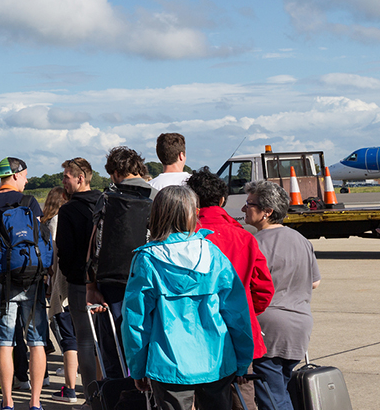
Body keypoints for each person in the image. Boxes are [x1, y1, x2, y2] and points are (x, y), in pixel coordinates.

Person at [122, 185, 255, 410]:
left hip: (169, 363)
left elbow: (136, 321)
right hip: (217, 358)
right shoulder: (213, 254)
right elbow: (237, 314)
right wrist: (243, 361)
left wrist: (137, 367)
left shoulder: (147, 259)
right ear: (192, 213)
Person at [0, 157, 48, 410]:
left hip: (5, 280)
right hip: (33, 279)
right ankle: (35, 402)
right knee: (36, 341)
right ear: (16, 175)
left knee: (5, 342)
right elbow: (39, 237)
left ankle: (7, 402)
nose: (26, 181)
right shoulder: (29, 202)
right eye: (25, 176)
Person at [189, 167, 274, 376]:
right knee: (242, 397)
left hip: (195, 334)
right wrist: (244, 311)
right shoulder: (244, 237)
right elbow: (263, 289)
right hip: (239, 332)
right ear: (222, 200)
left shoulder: (186, 237)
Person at [244, 180, 321, 410]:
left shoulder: (254, 243)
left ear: (267, 211)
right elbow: (315, 282)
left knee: (273, 399)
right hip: (299, 328)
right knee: (281, 391)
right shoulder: (301, 240)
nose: (244, 208)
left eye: (250, 204)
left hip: (268, 331)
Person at [56, 157, 105, 400]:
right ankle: (110, 392)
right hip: (107, 282)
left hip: (79, 282)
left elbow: (63, 250)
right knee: (107, 341)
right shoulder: (104, 202)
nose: (63, 181)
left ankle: (91, 397)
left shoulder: (68, 210)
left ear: (80, 178)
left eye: (66, 177)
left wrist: (70, 272)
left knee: (85, 341)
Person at [88, 147, 158, 313]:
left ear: (115, 172)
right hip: (146, 279)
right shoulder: (157, 196)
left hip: (110, 282)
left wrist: (90, 287)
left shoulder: (105, 199)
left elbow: (93, 242)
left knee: (113, 336)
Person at [42, 186, 81, 405]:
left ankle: (71, 387)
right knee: (82, 338)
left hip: (62, 286)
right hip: (77, 285)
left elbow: (55, 258)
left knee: (68, 338)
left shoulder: (54, 222)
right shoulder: (76, 217)